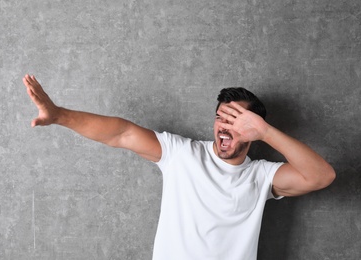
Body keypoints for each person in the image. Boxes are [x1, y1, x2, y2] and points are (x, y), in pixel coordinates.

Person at [22, 74, 335, 260]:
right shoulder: (182, 154)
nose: (225, 126)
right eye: (221, 118)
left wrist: (265, 131)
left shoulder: (261, 176)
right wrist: (60, 115)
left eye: (237, 121)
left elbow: (322, 176)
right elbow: (123, 133)